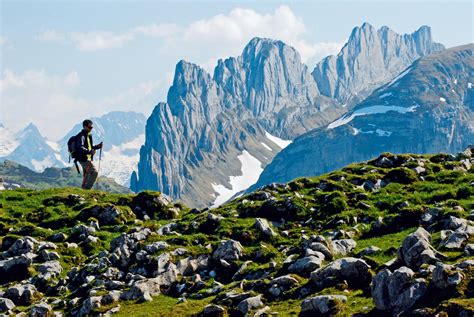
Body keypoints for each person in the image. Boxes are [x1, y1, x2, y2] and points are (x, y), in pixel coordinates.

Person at [76, 119, 103, 189]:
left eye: (91, 127)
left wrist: (98, 146)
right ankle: (86, 189)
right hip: (83, 158)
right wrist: (89, 152)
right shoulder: (81, 136)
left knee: (86, 175)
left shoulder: (88, 136)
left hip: (87, 158)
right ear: (84, 126)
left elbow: (90, 147)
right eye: (89, 127)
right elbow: (80, 147)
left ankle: (83, 190)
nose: (91, 129)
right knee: (94, 173)